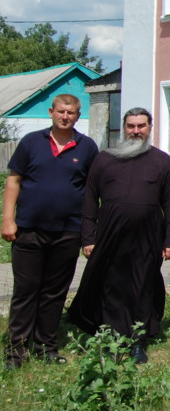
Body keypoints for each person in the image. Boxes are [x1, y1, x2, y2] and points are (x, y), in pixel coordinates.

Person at [67, 108, 170, 364]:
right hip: (110, 233)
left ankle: (137, 341)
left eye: (141, 126)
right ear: (123, 127)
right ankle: (112, 337)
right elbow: (89, 199)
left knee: (142, 285)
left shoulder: (161, 160)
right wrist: (88, 237)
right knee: (112, 286)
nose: (136, 131)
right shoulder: (105, 158)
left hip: (148, 235)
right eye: (131, 126)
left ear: (150, 128)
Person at [2, 95, 99, 369]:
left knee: (54, 293)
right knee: (26, 291)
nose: (65, 116)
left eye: (71, 112)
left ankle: (46, 347)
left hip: (68, 232)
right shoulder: (31, 142)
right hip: (29, 231)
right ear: (51, 112)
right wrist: (8, 219)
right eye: (60, 111)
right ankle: (16, 352)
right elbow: (14, 181)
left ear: (78, 116)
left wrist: (89, 233)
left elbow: (93, 192)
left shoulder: (87, 147)